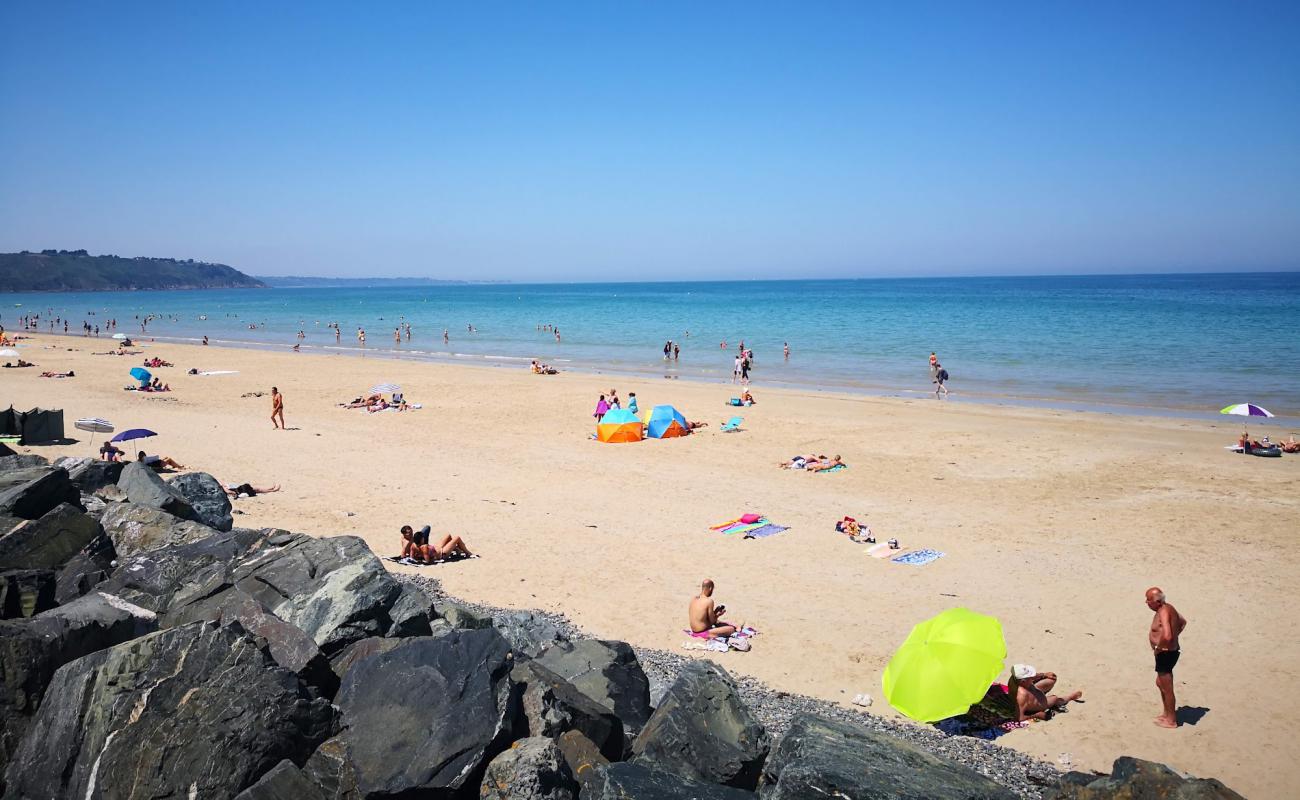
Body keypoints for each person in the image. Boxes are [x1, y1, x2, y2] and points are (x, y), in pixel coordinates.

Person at [1147, 587, 1187, 729]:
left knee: (1166, 686)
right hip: (1169, 652)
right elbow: (1183, 622)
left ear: (1157, 601)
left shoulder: (1163, 611)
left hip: (1165, 653)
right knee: (1160, 682)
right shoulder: (1169, 608)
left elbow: (1168, 635)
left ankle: (1171, 720)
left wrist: (1160, 647)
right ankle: (1166, 713)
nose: (1146, 602)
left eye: (1148, 600)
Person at [1009, 664, 1082, 721]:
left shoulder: (1014, 678)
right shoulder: (1022, 695)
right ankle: (1070, 697)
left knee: (1051, 679)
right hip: (1040, 703)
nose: (1032, 678)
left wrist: (1044, 674)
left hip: (1032, 690)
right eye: (1029, 678)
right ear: (1023, 681)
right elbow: (1019, 718)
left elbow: (1032, 677)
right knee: (1054, 698)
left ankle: (1045, 690)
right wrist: (1037, 715)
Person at [399, 524, 474, 563]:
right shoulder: (409, 543)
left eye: (412, 532)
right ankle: (468, 553)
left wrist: (417, 559)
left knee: (448, 536)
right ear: (404, 534)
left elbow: (412, 558)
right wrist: (433, 558)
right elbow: (428, 561)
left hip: (433, 548)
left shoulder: (413, 545)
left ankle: (456, 549)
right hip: (442, 553)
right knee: (457, 538)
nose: (412, 534)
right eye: (409, 533)